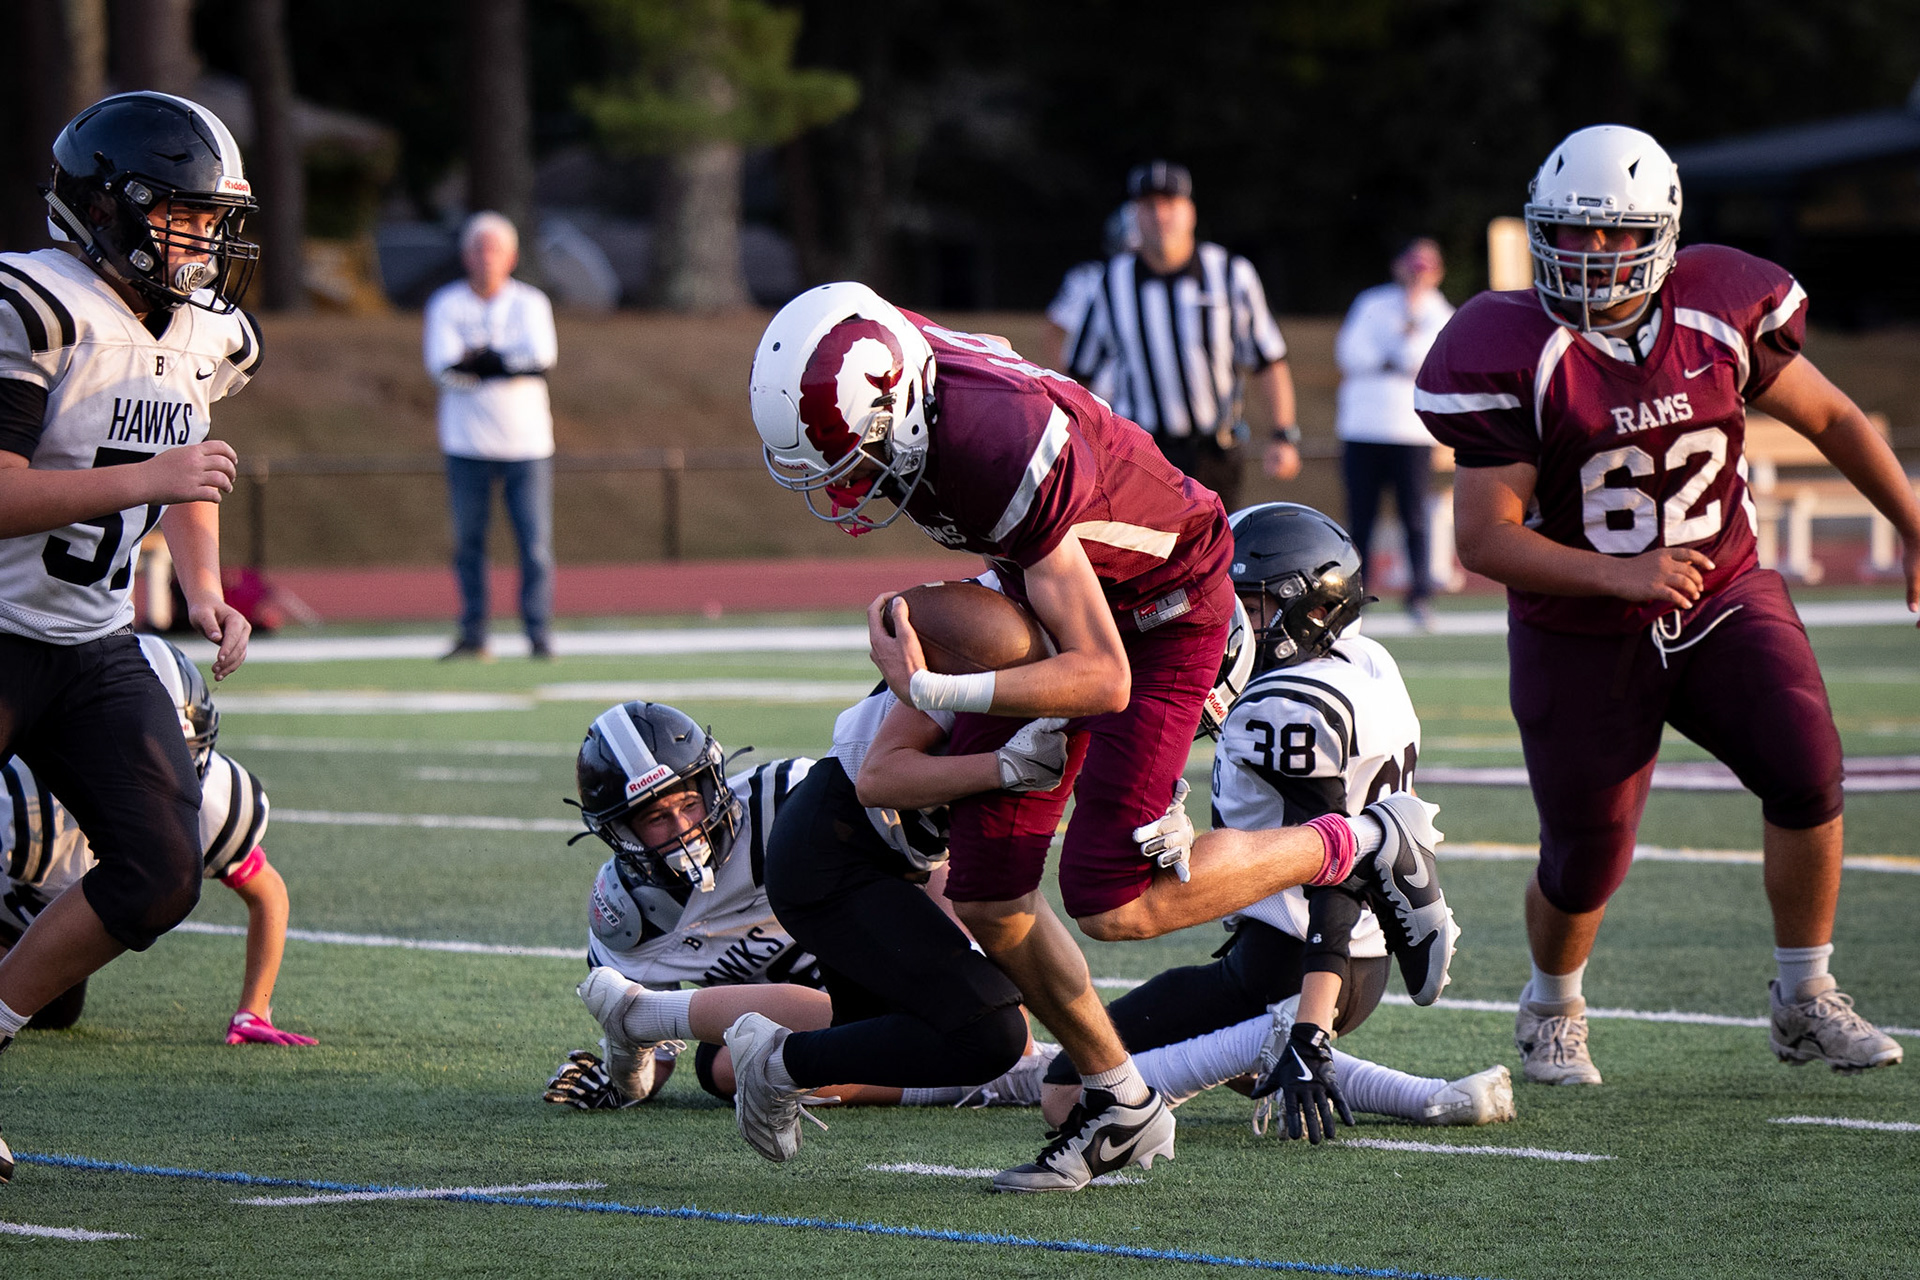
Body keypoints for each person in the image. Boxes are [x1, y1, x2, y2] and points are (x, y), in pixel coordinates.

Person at [748, 283, 1454, 1192]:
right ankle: (1120, 1098)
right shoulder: (910, 372)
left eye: (855, 456)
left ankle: (1358, 841)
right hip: (1070, 583)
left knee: (1109, 897)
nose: (844, 484)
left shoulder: (993, 459)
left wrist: (929, 685)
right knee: (993, 901)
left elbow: (1107, 678)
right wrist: (1006, 749)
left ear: (899, 403)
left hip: (1164, 599)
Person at [1415, 124, 1920, 1085]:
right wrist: (1621, 574)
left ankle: (1804, 994)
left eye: (1612, 237)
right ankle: (1551, 1005)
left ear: (1663, 233)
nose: (1588, 255)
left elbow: (1835, 417)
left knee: (1808, 768)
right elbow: (1483, 539)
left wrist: (1911, 519)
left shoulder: (1720, 308)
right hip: (1580, 628)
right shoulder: (1509, 344)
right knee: (1587, 854)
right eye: (1568, 233)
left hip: (1723, 588)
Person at [1049, 503, 1501, 1142]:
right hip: (1343, 959)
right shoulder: (1367, 659)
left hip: (1302, 962)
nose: (1227, 623)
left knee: (1069, 1093)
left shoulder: (1281, 707)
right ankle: (1430, 1096)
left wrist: (1312, 1024)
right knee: (1223, 1057)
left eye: (1249, 607)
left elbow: (1329, 864)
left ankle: (1289, 1032)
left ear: (1308, 607)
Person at [0, 91, 261, 1185]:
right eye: (185, 216)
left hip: (94, 639)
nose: (205, 242)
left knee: (160, 874)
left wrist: (202, 584)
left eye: (214, 221)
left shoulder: (208, 333)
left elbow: (189, 463)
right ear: (112, 208)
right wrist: (150, 478)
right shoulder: (35, 304)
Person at [553, 696, 1066, 1122]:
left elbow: (929, 862)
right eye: (656, 819)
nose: (684, 827)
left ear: (711, 781)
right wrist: (624, 1080)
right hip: (796, 1023)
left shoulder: (785, 799)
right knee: (727, 1067)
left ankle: (991, 1061)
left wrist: (975, 961)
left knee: (774, 1048)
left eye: (688, 803)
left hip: (898, 964)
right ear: (621, 833)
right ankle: (980, 1085)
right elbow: (657, 1059)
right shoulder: (629, 914)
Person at [0, 636, 312, 1046]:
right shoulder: (20, 800)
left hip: (59, 922)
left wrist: (254, 1009)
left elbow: (267, 892)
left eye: (178, 754)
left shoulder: (211, 804)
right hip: (11, 907)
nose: (161, 771)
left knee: (57, 1012)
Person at [1060, 161, 1302, 509]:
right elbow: (1077, 374)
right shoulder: (1110, 282)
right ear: (1134, 215)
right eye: (1148, 206)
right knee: (1144, 560)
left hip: (1214, 454)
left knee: (1217, 561)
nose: (1159, 215)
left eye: (1170, 203)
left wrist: (1283, 435)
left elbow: (1268, 360)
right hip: (1138, 456)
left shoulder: (1232, 274)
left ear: (1190, 212)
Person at [423, 212, 558, 661]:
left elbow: (540, 359)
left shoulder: (531, 303)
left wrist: (481, 362)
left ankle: (538, 632)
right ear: (466, 256)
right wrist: (500, 363)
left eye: (495, 249)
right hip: (467, 443)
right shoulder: (447, 304)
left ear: (512, 256)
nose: (486, 258)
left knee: (534, 545)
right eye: (479, 249)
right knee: (469, 545)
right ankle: (473, 633)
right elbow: (444, 369)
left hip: (526, 444)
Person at [1335, 239, 1455, 627]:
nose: (1418, 274)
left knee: (1415, 518)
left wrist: (1403, 341)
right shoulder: (1371, 303)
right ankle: (1354, 599)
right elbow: (1351, 354)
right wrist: (1394, 355)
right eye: (1413, 265)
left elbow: (1426, 360)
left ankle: (1420, 596)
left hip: (1412, 432)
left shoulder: (1441, 312)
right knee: (1360, 519)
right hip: (1363, 427)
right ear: (1397, 265)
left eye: (1427, 266)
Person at [1044, 202, 1137, 398]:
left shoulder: (1178, 287)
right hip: (1098, 392)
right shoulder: (1089, 279)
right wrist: (1068, 385)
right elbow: (1054, 331)